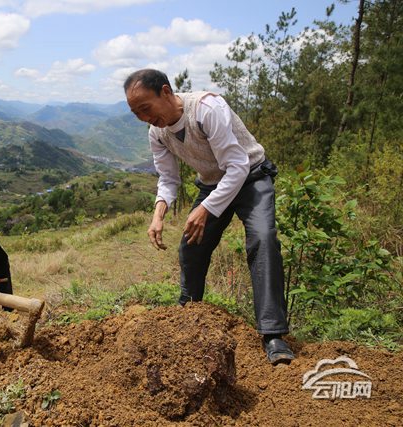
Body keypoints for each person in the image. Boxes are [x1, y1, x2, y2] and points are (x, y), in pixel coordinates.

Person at [124, 69, 294, 365]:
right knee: (191, 245)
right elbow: (167, 178)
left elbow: (238, 166)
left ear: (165, 92)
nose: (143, 117)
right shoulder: (158, 132)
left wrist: (205, 208)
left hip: (251, 176)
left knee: (263, 240)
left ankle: (273, 334)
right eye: (135, 112)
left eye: (145, 108)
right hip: (213, 182)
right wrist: (158, 214)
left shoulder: (206, 109)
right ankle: (187, 313)